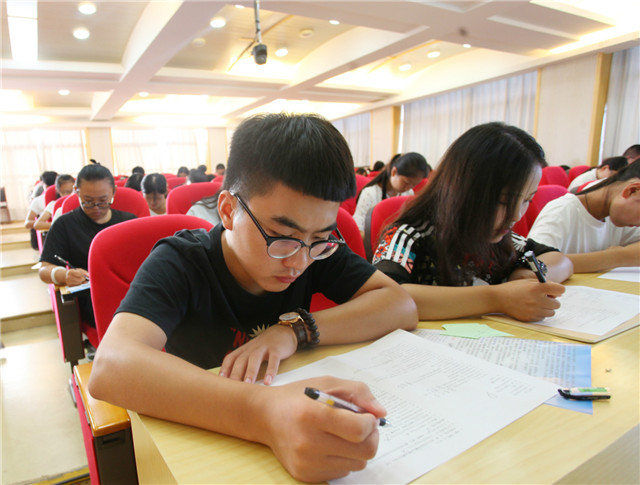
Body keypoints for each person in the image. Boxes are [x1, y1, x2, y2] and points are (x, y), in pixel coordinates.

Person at [89, 113, 417, 483]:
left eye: (320, 237)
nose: (299, 262)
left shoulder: (314, 248)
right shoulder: (181, 260)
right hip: (201, 431)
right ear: (229, 211)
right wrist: (264, 413)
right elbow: (110, 367)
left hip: (283, 420)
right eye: (282, 236)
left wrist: (294, 330)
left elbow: (399, 304)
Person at [372, 122, 574, 323]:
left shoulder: (495, 237)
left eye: (527, 200)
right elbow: (384, 297)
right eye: (505, 201)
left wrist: (526, 274)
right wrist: (497, 298)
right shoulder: (407, 235)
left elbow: (560, 260)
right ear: (462, 189)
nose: (516, 216)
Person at [39, 164, 137, 327]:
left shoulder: (130, 222)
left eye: (103, 201)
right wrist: (64, 275)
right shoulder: (65, 225)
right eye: (88, 202)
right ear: (77, 192)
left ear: (113, 192)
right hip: (96, 301)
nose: (96, 208)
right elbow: (44, 270)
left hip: (132, 292)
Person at [529, 159, 640, 273]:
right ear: (632, 190)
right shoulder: (561, 211)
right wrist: (620, 256)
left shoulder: (617, 215)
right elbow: (535, 265)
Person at [352, 152, 429, 236]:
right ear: (394, 172)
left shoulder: (408, 193)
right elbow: (359, 231)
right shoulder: (370, 194)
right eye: (406, 182)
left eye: (414, 185)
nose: (408, 188)